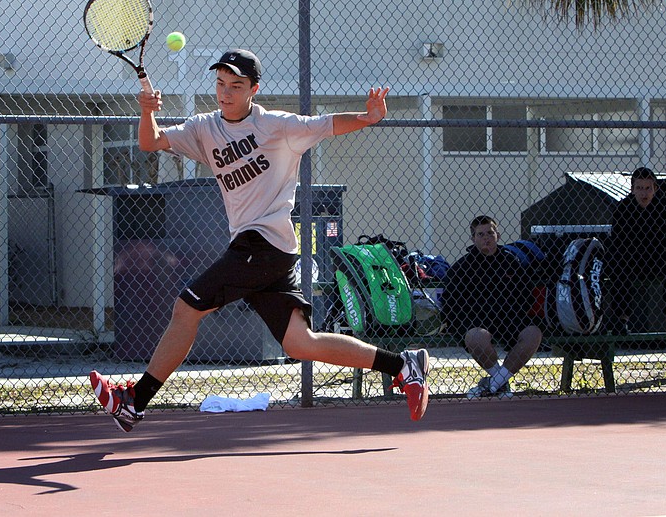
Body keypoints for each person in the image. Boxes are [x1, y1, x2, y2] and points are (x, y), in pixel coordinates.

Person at [89, 49, 430, 431]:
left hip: (263, 244)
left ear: (254, 89)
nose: (226, 92)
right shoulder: (204, 128)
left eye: (236, 85)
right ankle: (403, 364)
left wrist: (367, 117)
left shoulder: (277, 126)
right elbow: (151, 143)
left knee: (186, 309)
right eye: (220, 84)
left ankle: (135, 401)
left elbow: (326, 124)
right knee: (302, 344)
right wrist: (147, 109)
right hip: (265, 252)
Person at [440, 215, 542, 398]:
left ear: (498, 235)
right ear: (473, 238)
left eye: (490, 233)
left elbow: (526, 296)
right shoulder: (462, 268)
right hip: (477, 322)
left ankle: (493, 384)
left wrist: (516, 313)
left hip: (510, 321)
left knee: (533, 334)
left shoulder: (512, 262)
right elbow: (450, 304)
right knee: (476, 337)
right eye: (481, 234)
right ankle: (500, 383)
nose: (486, 237)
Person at [607, 167, 666, 335]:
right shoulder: (623, 208)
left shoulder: (664, 208)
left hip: (658, 258)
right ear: (632, 189)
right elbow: (618, 242)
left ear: (655, 189)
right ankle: (621, 320)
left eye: (647, 188)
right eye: (639, 188)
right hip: (631, 259)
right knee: (617, 263)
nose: (643, 194)